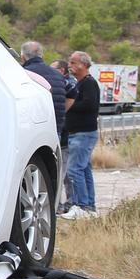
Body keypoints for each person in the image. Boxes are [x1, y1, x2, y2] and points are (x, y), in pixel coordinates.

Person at [62, 50, 101, 219]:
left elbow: (89, 105)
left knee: (74, 170)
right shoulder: (80, 83)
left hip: (83, 134)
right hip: (79, 133)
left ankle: (81, 205)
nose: (69, 65)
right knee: (84, 170)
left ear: (83, 65)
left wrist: (69, 104)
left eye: (73, 62)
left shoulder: (88, 84)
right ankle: (89, 206)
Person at [20, 41, 67, 141]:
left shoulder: (23, 73)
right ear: (42, 55)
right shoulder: (58, 75)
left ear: (23, 57)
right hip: (55, 128)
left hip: (31, 130)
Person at [52, 59, 76, 209]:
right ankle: (69, 202)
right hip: (66, 135)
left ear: (61, 71)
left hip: (65, 136)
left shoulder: (67, 85)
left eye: (53, 69)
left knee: (63, 173)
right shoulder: (69, 84)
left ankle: (62, 204)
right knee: (66, 174)